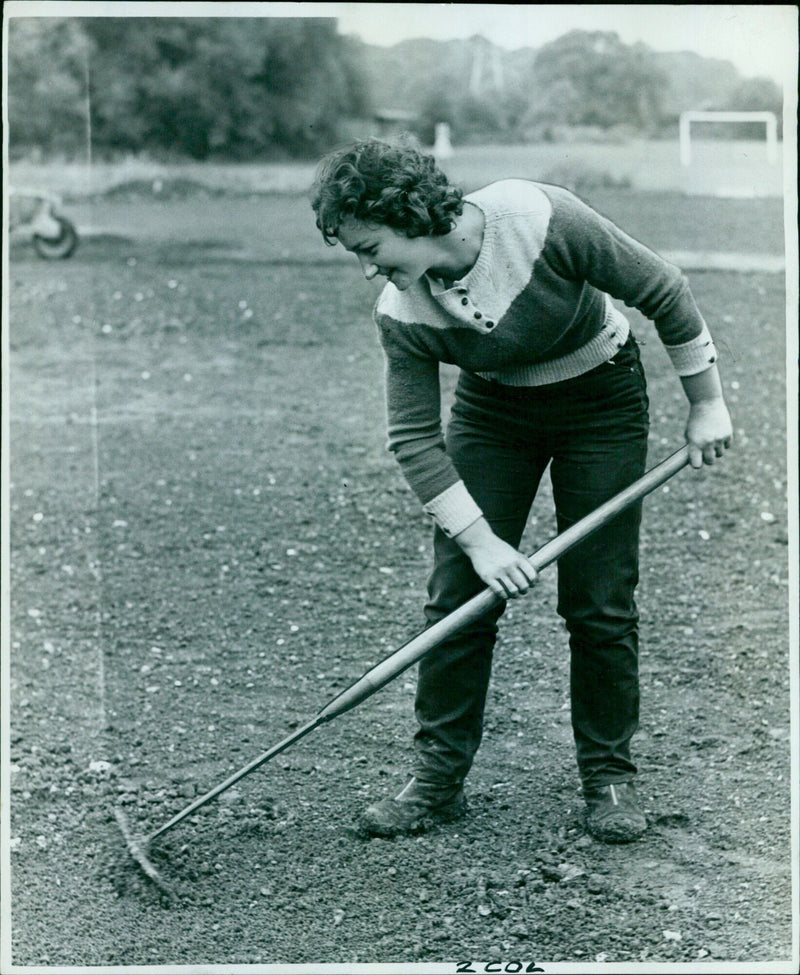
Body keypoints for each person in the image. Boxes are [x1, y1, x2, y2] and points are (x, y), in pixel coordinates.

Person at [310, 138, 732, 844]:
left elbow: (665, 289)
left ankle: (609, 777)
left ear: (410, 212)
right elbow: (413, 438)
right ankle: (438, 780)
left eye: (371, 245)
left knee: (598, 598)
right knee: (458, 596)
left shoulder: (541, 218)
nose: (366, 268)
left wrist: (707, 402)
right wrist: (480, 544)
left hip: (601, 400)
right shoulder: (401, 309)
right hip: (494, 412)